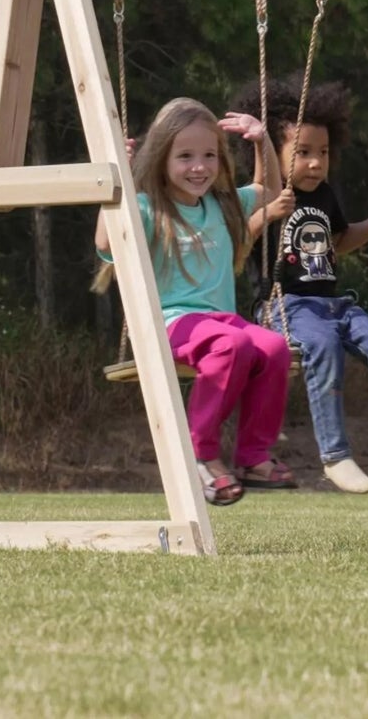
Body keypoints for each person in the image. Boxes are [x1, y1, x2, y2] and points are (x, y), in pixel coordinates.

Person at [246, 77, 368, 494]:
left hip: (333, 304)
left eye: (323, 153)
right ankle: (335, 456)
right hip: (287, 306)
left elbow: (338, 243)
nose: (316, 163)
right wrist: (269, 213)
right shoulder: (266, 195)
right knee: (324, 348)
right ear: (276, 156)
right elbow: (239, 240)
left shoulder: (326, 196)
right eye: (302, 153)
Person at [95, 97, 295, 506]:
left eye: (208, 156)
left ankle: (253, 455)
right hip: (169, 323)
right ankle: (200, 453)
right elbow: (104, 240)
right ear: (161, 158)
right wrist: (118, 171)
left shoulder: (221, 207)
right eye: (185, 156)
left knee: (274, 347)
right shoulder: (148, 208)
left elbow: (269, 190)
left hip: (219, 321)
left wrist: (262, 143)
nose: (199, 167)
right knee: (232, 344)